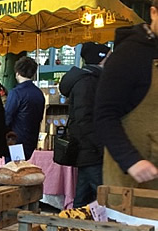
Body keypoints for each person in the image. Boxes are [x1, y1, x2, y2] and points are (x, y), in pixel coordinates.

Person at [94, 0, 158, 188]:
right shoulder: (129, 53)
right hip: (133, 182)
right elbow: (104, 115)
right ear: (153, 13)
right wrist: (130, 160)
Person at [59, 43, 111, 206]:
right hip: (91, 150)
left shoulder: (91, 80)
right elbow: (84, 119)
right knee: (106, 199)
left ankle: (73, 226)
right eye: (109, 56)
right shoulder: (87, 83)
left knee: (83, 196)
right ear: (101, 59)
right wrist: (100, 145)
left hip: (88, 150)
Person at [4, 56, 45, 161]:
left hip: (15, 141)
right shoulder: (39, 93)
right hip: (31, 141)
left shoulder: (16, 93)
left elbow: (7, 117)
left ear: (17, 72)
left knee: (11, 172)